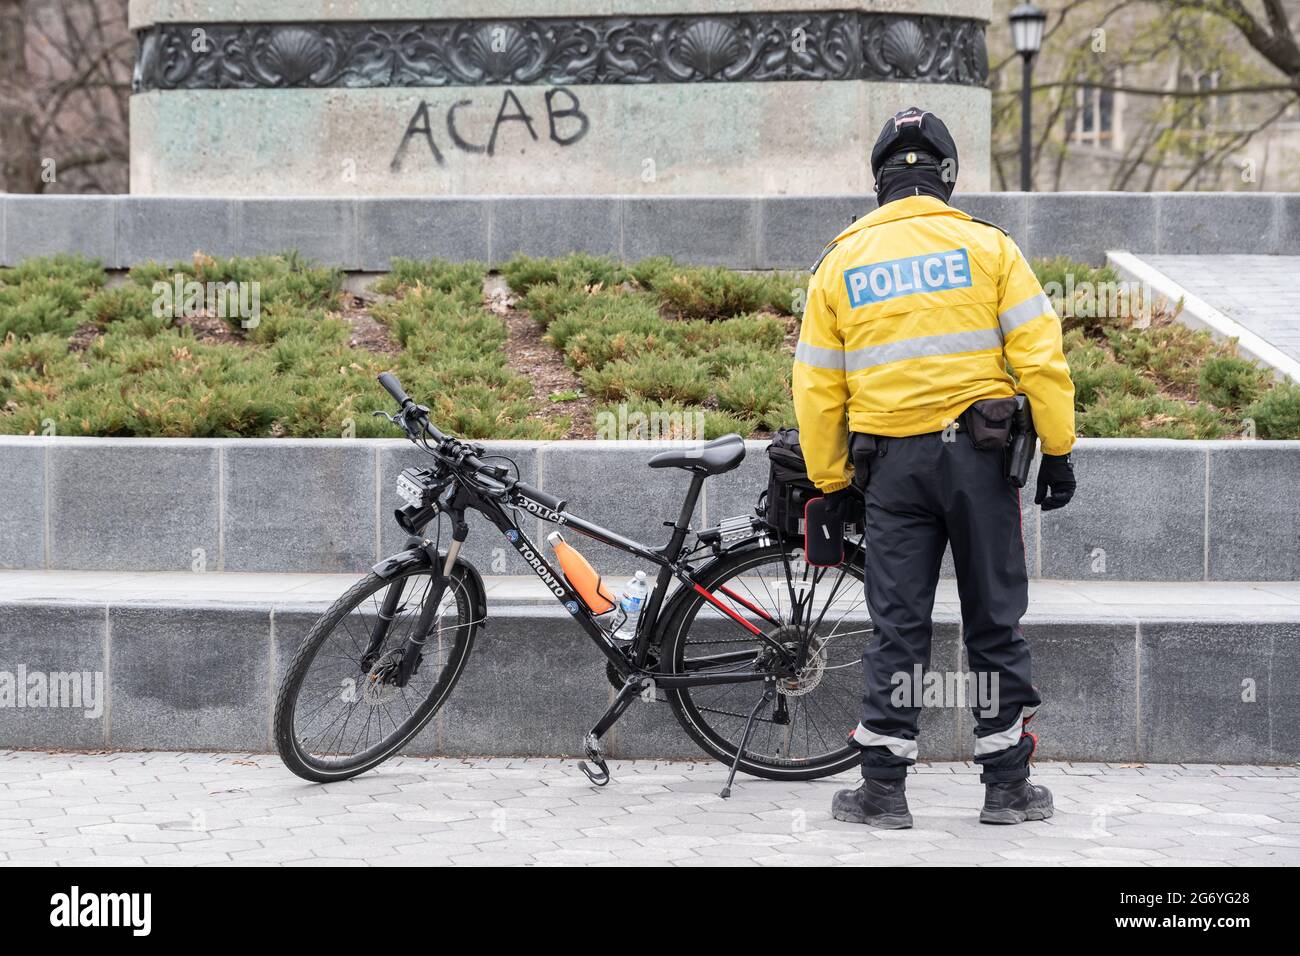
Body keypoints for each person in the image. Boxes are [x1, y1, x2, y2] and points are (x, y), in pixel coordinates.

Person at [792, 107, 1077, 828]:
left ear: (880, 180)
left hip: (892, 469)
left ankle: (883, 791)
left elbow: (817, 386)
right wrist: (1060, 450)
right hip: (979, 465)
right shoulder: (990, 248)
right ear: (946, 175)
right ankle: (1006, 788)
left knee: (898, 628)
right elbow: (1042, 356)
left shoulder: (841, 259)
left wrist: (829, 484)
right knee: (994, 621)